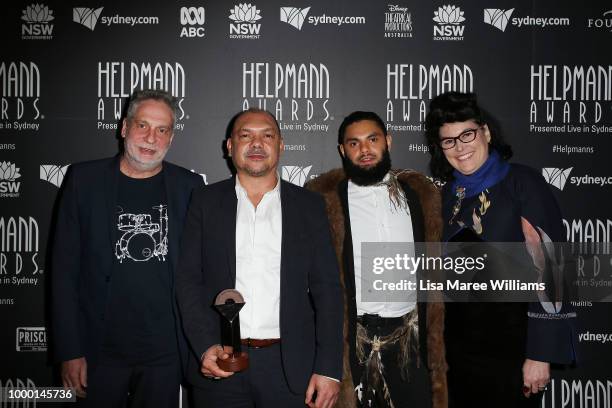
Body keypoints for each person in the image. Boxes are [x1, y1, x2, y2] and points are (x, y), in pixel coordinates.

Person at [176, 108, 343, 408]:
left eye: (267, 136)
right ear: (229, 146)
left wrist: (329, 368)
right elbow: (188, 281)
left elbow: (328, 290)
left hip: (290, 368)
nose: (256, 143)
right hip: (220, 363)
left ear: (280, 145)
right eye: (245, 136)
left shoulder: (310, 206)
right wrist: (204, 347)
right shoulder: (204, 201)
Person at [52, 89, 204, 408]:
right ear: (124, 128)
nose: (151, 137)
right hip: (98, 351)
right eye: (143, 126)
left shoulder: (189, 187)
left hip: (165, 354)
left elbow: (199, 273)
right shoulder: (84, 180)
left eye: (162, 130)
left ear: (171, 138)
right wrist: (70, 350)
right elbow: (63, 272)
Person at [424, 92, 576, 408]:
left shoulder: (522, 182)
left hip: (512, 347)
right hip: (458, 351)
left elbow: (553, 266)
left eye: (467, 134)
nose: (460, 147)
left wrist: (539, 354)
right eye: (448, 141)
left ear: (486, 132)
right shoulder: (447, 196)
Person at [307, 111, 448, 408]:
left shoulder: (420, 195)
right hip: (352, 344)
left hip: (410, 342)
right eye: (354, 143)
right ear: (342, 150)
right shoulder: (323, 201)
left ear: (388, 141)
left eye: (372, 139)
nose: (365, 150)